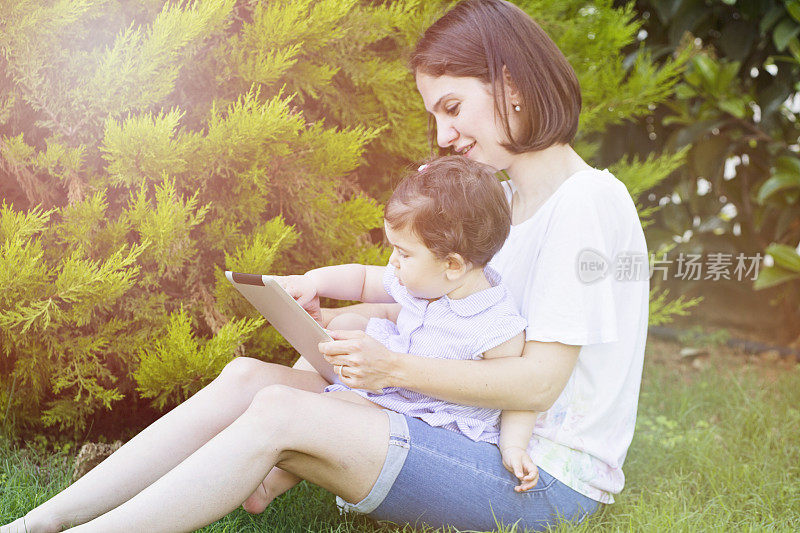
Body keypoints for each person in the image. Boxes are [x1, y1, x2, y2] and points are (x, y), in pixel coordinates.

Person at [0, 0, 648, 531]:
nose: (444, 135)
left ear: (512, 85)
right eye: (435, 116)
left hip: (536, 479)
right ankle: (39, 523)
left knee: (285, 411)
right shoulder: (502, 201)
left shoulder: (585, 204)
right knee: (248, 378)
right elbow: (433, 306)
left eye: (452, 107)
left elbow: (537, 384)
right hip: (459, 431)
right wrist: (333, 321)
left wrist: (390, 364)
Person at [242, 156, 539, 514]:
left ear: (454, 265)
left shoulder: (497, 324)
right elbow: (363, 279)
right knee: (342, 328)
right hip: (397, 392)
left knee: (332, 410)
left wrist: (514, 447)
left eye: (403, 252)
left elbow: (516, 396)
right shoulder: (428, 282)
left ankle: (267, 485)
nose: (393, 262)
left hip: (429, 422)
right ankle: (295, 402)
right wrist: (312, 281)